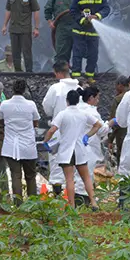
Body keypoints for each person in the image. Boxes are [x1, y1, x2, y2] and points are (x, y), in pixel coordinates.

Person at [42, 88, 103, 209]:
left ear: (67, 101)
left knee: (69, 180)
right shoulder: (83, 113)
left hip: (66, 151)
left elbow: (52, 130)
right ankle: (93, 202)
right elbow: (98, 125)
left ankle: (72, 206)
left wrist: (45, 141)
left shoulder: (63, 114)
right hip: (80, 150)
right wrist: (87, 135)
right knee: (86, 178)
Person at [41, 61, 79, 194]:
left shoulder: (56, 88)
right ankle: (74, 196)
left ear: (58, 73)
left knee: (57, 162)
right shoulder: (79, 88)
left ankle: (57, 195)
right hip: (77, 131)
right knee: (76, 164)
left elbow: (47, 107)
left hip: (58, 130)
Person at [0, 79, 40, 199]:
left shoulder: (5, 104)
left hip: (10, 146)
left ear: (13, 89)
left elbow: (0, 118)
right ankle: (33, 203)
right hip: (28, 146)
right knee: (30, 176)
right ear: (24, 90)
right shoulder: (31, 104)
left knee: (15, 175)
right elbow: (35, 121)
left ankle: (17, 204)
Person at [69, 0, 110, 80]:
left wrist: (97, 16)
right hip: (79, 31)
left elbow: (106, 9)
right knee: (77, 54)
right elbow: (73, 11)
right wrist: (83, 20)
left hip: (93, 32)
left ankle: (90, 77)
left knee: (93, 55)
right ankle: (76, 77)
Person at [1, 0, 40, 72]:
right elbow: (8, 10)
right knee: (15, 53)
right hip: (13, 28)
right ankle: (18, 72)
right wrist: (4, 25)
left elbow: (36, 11)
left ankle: (29, 72)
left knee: (27, 52)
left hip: (25, 29)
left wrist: (36, 28)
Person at [45, 0, 82, 65]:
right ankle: (62, 72)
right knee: (61, 55)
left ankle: (78, 72)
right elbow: (47, 10)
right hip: (62, 29)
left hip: (77, 28)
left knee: (79, 53)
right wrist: (50, 22)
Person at [106, 76, 129, 162]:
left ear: (120, 85)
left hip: (122, 133)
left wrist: (110, 139)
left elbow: (114, 121)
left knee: (122, 158)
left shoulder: (118, 99)